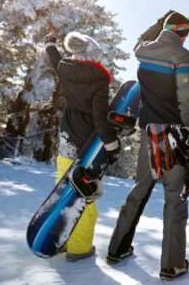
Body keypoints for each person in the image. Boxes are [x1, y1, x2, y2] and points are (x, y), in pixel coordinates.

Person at [106, 10, 189, 281]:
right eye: (186, 33)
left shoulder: (144, 51)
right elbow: (187, 100)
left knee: (139, 190)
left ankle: (117, 248)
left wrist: (159, 24)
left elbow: (139, 39)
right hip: (171, 136)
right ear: (182, 32)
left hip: (148, 134)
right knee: (175, 198)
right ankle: (171, 265)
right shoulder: (182, 56)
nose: (186, 38)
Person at [43, 31, 120, 262]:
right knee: (85, 199)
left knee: (64, 195)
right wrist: (112, 145)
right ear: (93, 57)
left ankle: (62, 242)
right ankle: (79, 249)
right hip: (88, 151)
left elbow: (55, 59)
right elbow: (99, 117)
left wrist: (49, 44)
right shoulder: (98, 81)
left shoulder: (66, 70)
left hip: (66, 143)